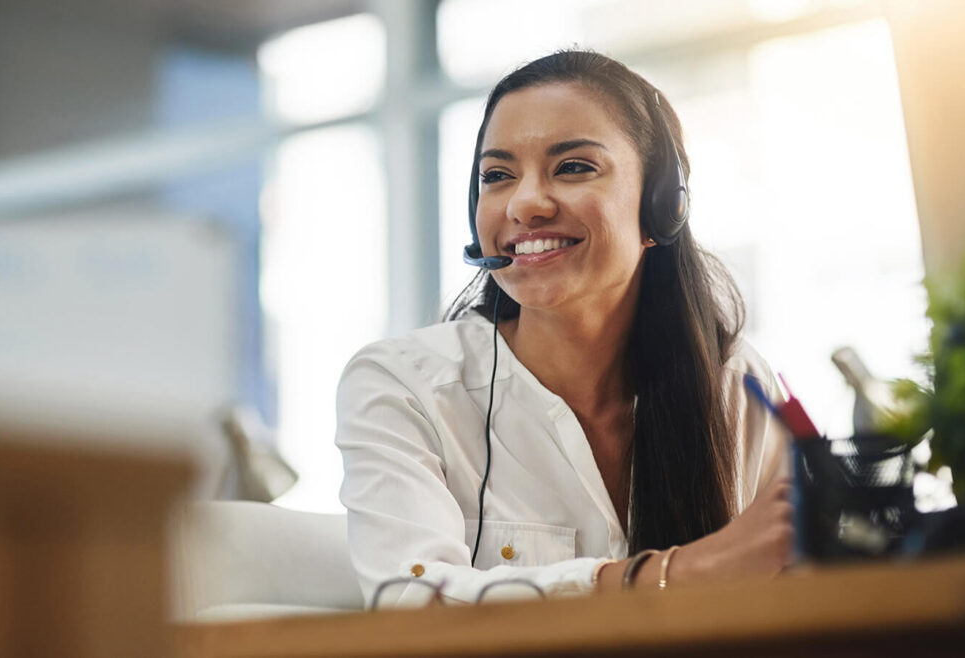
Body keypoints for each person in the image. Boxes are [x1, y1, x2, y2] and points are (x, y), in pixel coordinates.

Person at [335, 50, 791, 607]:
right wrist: (674, 574)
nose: (525, 204)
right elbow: (409, 602)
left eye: (573, 167)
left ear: (661, 205)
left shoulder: (737, 383)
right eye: (497, 176)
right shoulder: (404, 386)